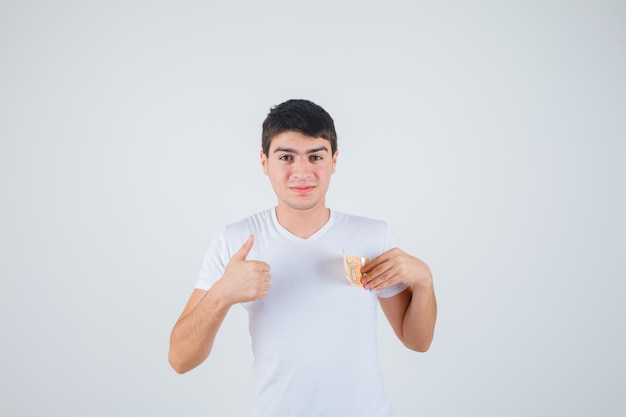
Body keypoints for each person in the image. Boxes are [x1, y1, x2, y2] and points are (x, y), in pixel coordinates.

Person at [168, 99, 437, 417]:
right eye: (286, 157)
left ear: (334, 160)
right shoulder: (234, 241)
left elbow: (417, 341)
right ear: (264, 161)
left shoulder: (373, 237)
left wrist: (424, 280)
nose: (302, 172)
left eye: (315, 156)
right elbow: (180, 360)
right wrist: (221, 295)